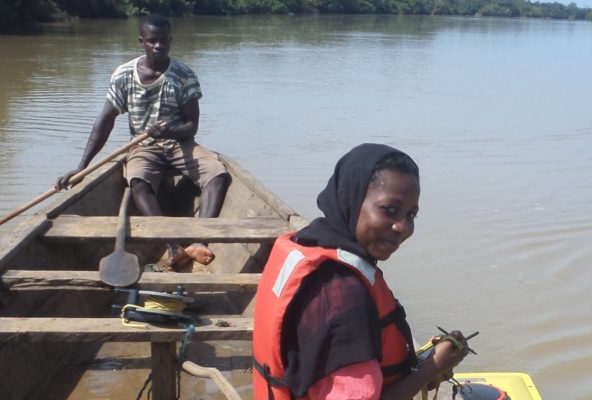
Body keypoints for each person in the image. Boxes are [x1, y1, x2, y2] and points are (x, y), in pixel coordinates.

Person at [252, 143, 468, 400]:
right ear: (351, 199)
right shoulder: (342, 298)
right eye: (389, 209)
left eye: (411, 215)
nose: (402, 227)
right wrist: (432, 368)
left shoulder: (307, 244)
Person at [56, 13, 229, 268]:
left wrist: (169, 131)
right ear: (142, 41)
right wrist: (82, 167)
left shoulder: (183, 75)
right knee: (138, 181)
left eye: (163, 40)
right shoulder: (124, 75)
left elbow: (192, 126)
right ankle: (171, 243)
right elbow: (105, 120)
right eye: (152, 40)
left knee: (217, 174)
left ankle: (201, 241)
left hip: (179, 144)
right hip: (142, 146)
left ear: (171, 40)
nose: (158, 46)